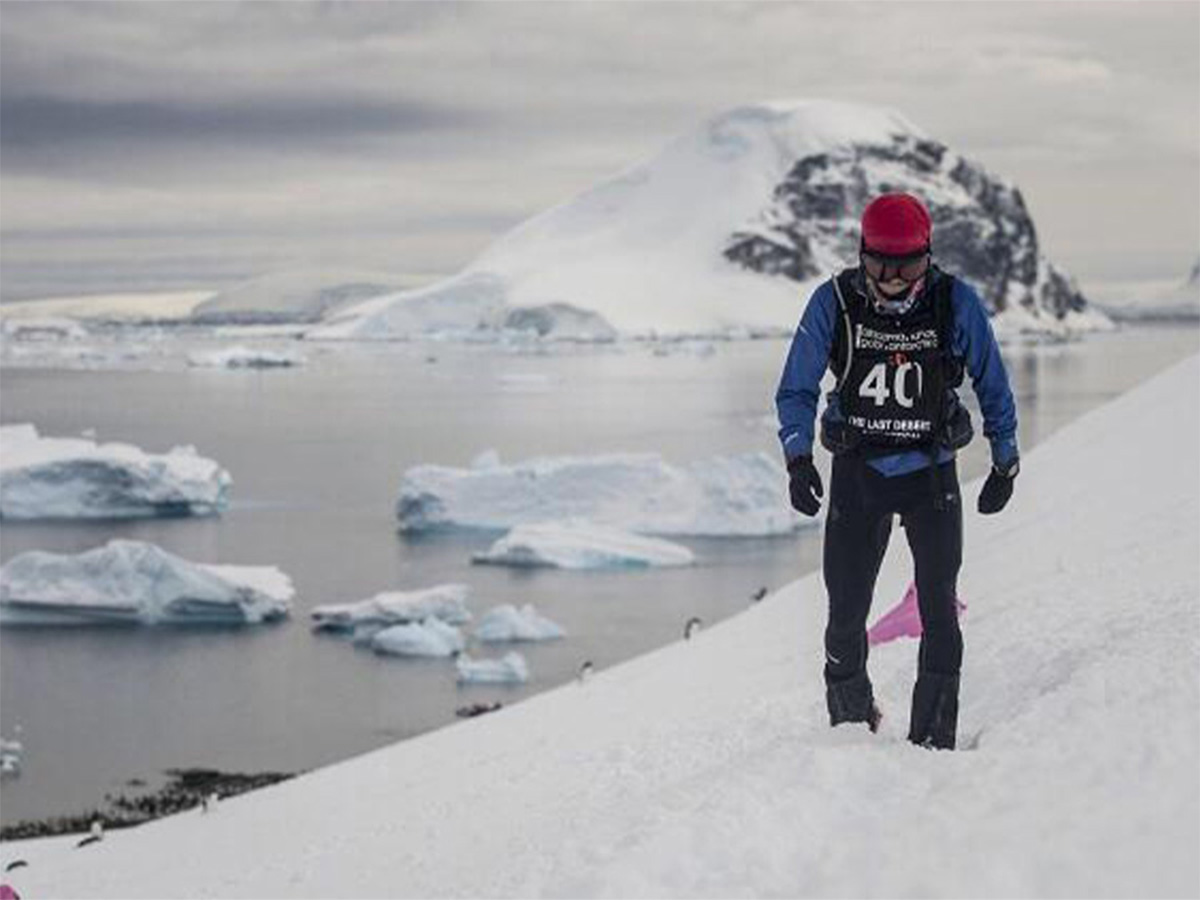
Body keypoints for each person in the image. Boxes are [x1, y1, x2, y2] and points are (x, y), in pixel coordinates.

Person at [775, 192, 1019, 750]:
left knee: (939, 609)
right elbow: (796, 387)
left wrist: (1005, 461)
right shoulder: (832, 302)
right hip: (858, 474)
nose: (891, 278)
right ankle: (852, 727)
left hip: (930, 474)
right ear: (861, 252)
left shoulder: (955, 303)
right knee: (843, 617)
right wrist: (798, 458)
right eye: (880, 263)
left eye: (906, 265)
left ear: (927, 256)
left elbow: (992, 382)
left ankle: (933, 741)